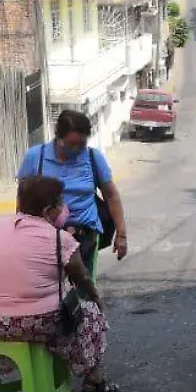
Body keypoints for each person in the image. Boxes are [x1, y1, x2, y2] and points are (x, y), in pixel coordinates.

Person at [0, 175, 118, 392]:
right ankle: (94, 380)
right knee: (90, 313)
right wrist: (97, 299)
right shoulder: (59, 239)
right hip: (37, 324)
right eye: (60, 204)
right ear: (47, 210)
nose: (65, 208)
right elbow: (82, 278)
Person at [17, 110, 129, 277]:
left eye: (81, 145)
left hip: (84, 239)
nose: (76, 149)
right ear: (58, 137)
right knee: (50, 290)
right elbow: (22, 201)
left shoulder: (93, 157)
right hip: (45, 239)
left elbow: (111, 196)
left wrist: (121, 235)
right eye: (70, 144)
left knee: (83, 292)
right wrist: (20, 235)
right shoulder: (36, 157)